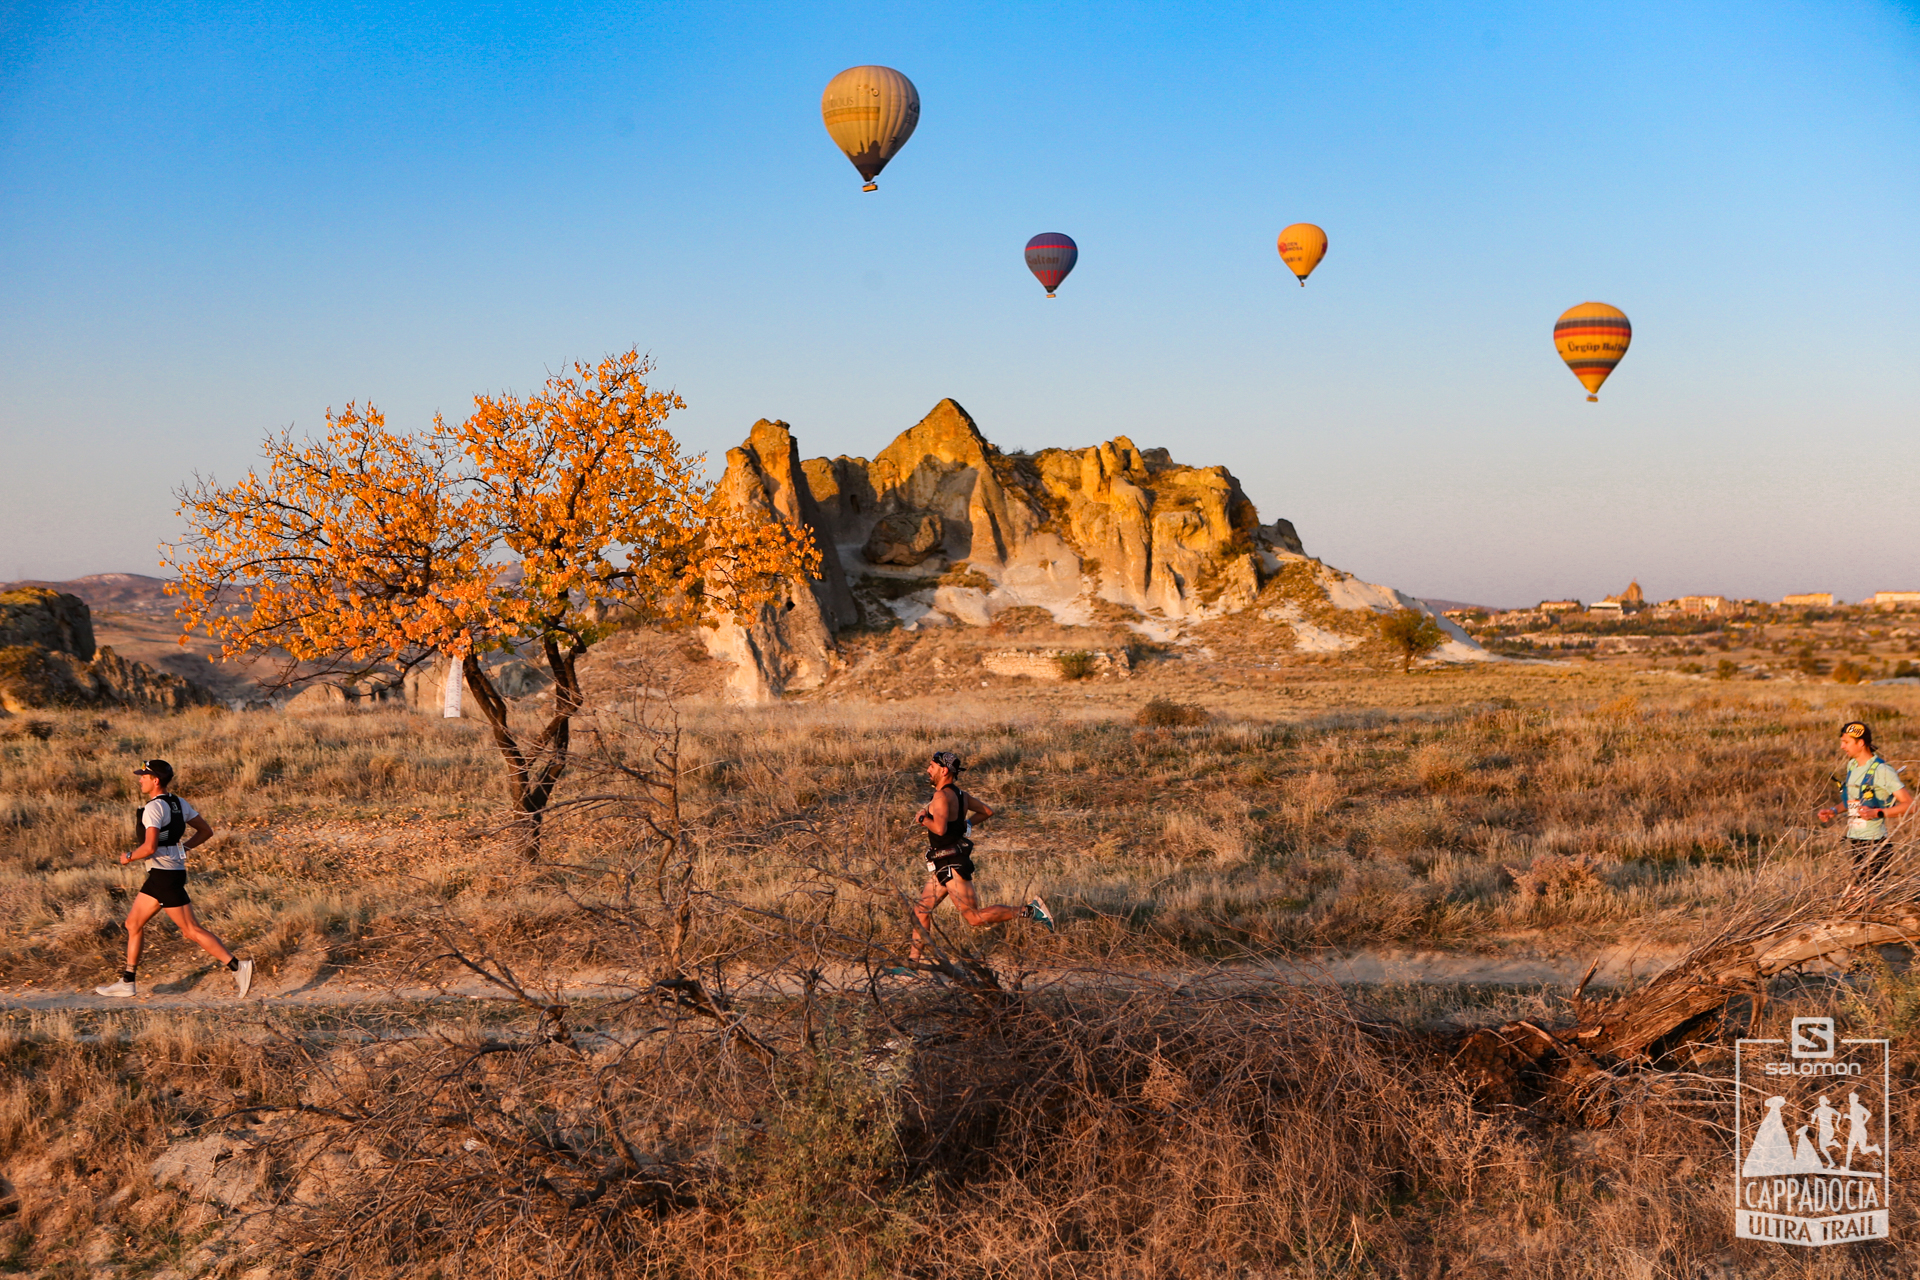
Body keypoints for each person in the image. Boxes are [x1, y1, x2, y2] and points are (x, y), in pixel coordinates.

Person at [93, 760, 252, 999]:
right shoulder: (178, 803)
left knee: (191, 930)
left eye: (143, 777)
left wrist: (128, 857)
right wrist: (184, 848)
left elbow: (149, 847)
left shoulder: (153, 808)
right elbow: (206, 831)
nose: (140, 780)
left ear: (155, 780)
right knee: (133, 924)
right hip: (165, 874)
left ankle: (239, 967)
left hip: (164, 877)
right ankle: (127, 981)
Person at [905, 750, 1053, 964]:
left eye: (932, 766)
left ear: (944, 770)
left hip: (952, 865)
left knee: (974, 918)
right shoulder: (961, 795)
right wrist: (968, 824)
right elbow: (987, 811)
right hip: (944, 864)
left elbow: (938, 828)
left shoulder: (941, 796)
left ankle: (1031, 911)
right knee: (921, 910)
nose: (928, 770)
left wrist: (922, 819)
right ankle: (912, 965)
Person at [1816, 721, 1912, 880]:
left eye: (1846, 742)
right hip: (1855, 842)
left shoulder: (1882, 770)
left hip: (1875, 845)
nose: (1842, 746)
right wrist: (1833, 811)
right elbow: (1854, 801)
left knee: (1861, 900)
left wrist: (1876, 813)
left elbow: (1910, 805)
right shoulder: (1852, 766)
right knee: (1856, 899)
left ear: (1860, 743)